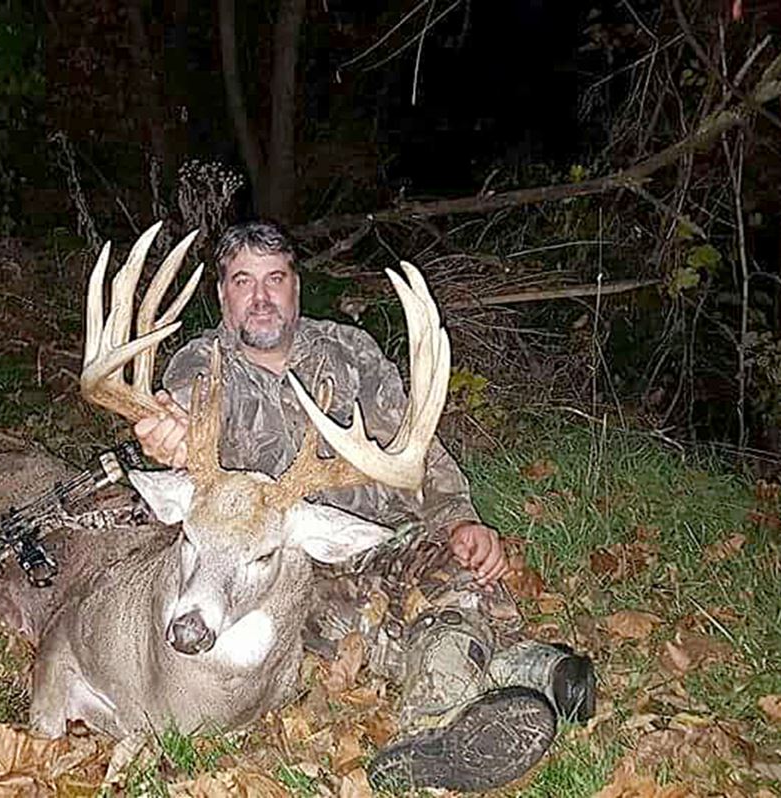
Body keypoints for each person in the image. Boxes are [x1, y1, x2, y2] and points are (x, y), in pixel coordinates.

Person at [133, 220, 594, 793]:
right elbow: (179, 417)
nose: (261, 296)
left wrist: (459, 517)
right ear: (223, 294)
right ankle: (463, 709)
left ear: (296, 286)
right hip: (284, 568)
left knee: (461, 574)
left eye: (275, 278)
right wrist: (169, 434)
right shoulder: (201, 366)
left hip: (380, 538)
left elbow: (413, 447)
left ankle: (499, 687)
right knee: (364, 623)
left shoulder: (349, 352)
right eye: (243, 280)